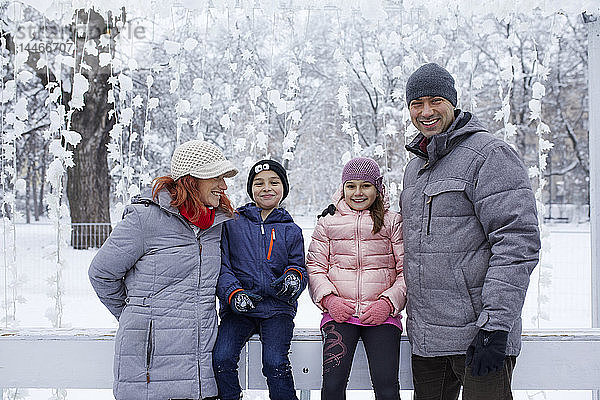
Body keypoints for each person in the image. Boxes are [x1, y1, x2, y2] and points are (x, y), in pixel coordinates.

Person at [400, 63, 541, 400]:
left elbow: (517, 242)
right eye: (416, 103)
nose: (426, 111)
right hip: (428, 341)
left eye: (435, 100)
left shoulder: (489, 154)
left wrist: (496, 324)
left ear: (453, 102)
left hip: (479, 336)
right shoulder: (414, 167)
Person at [89, 139, 238, 400]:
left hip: (199, 376)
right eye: (216, 177)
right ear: (192, 180)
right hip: (148, 374)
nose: (223, 186)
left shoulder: (216, 225)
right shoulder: (145, 218)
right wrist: (136, 315)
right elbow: (101, 273)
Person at [306, 157, 406, 400]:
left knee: (387, 387)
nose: (358, 192)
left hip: (382, 317)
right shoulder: (328, 222)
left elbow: (407, 271)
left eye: (366, 185)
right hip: (340, 315)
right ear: (343, 188)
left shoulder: (392, 221)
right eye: (351, 186)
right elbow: (315, 266)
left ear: (378, 188)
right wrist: (330, 301)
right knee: (332, 387)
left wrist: (388, 303)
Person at [212, 159, 307, 400]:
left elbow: (298, 266)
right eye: (259, 183)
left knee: (275, 362)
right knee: (221, 357)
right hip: (240, 309)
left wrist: (293, 279)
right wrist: (234, 294)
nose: (267, 188)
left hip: (277, 309)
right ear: (250, 189)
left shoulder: (291, 229)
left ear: (283, 188)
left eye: (274, 182)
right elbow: (223, 267)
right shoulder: (233, 223)